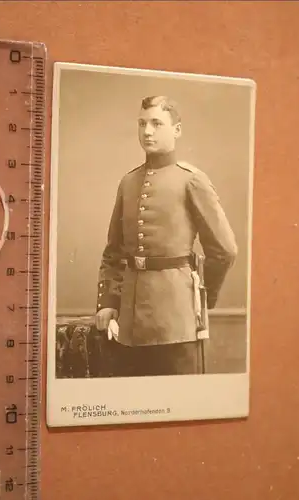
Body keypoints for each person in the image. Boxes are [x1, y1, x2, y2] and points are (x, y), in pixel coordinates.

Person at [94, 95, 237, 377]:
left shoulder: (191, 180)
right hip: (129, 326)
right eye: (142, 123)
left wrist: (201, 298)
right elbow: (114, 252)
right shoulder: (128, 182)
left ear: (177, 130)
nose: (147, 131)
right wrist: (109, 303)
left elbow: (225, 250)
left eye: (157, 123)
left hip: (177, 322)